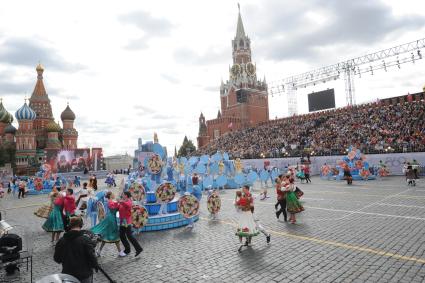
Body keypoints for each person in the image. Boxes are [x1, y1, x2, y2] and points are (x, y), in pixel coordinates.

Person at [54, 216, 99, 283]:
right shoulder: (85, 240)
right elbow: (92, 257)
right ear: (81, 225)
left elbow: (57, 259)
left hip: (68, 274)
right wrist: (95, 266)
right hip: (84, 275)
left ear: (70, 225)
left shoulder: (61, 241)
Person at [91, 192, 123, 257]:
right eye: (113, 194)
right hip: (111, 219)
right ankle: (119, 252)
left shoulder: (112, 201)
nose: (114, 195)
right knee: (114, 234)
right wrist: (119, 202)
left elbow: (118, 207)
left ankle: (99, 251)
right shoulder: (110, 201)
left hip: (112, 218)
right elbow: (113, 206)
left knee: (106, 235)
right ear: (110, 195)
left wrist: (120, 203)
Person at [118, 191, 143, 257]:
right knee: (122, 235)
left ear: (126, 195)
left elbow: (128, 205)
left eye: (123, 194)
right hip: (123, 221)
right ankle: (128, 249)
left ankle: (137, 249)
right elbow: (119, 208)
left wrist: (120, 201)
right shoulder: (123, 201)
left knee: (129, 236)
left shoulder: (129, 201)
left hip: (126, 221)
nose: (122, 195)